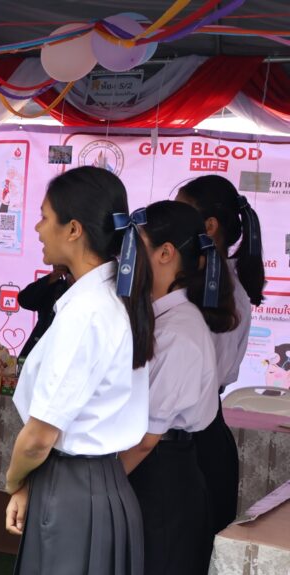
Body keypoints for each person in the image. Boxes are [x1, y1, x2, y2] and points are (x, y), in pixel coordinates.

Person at [5, 166, 154, 575]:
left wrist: (14, 480)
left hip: (73, 494)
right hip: (96, 486)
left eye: (44, 217)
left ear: (73, 229)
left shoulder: (87, 311)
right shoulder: (111, 298)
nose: (38, 228)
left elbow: (39, 437)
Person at [119, 200, 239, 575]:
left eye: (134, 249)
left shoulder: (178, 332)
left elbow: (146, 439)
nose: (124, 261)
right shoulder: (162, 319)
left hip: (162, 476)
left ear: (166, 253)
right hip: (152, 470)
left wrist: (101, 487)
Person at [176, 175, 264, 534]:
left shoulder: (212, 291)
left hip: (190, 439)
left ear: (209, 226)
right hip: (202, 433)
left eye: (181, 213)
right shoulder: (222, 285)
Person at [17, 265, 72, 359]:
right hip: (39, 353)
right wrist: (53, 276)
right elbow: (25, 300)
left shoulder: (92, 293)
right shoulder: (55, 286)